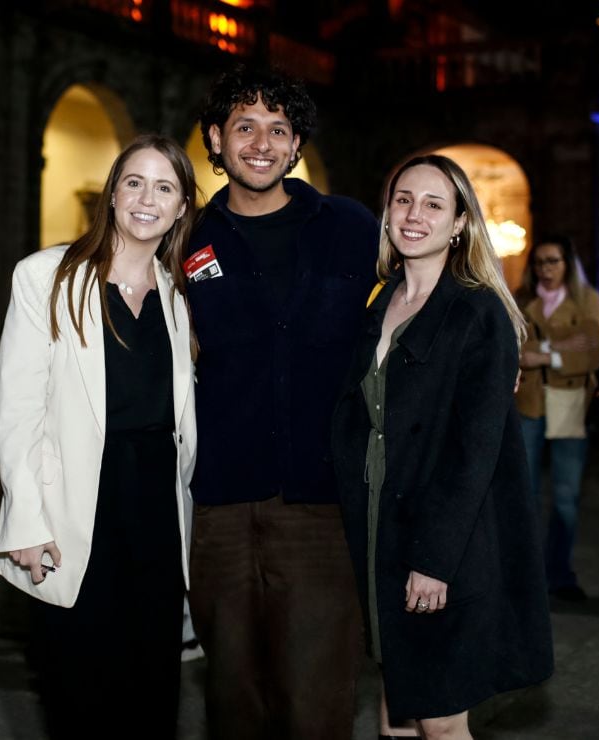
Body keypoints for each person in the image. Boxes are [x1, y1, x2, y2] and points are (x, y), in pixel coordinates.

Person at [183, 64, 378, 740]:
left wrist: (489, 348)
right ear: (216, 138)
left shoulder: (350, 226)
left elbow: (428, 288)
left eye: (278, 128)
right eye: (245, 127)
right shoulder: (187, 239)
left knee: (316, 701)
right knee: (232, 697)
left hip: (322, 504)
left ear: (296, 145)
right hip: (219, 505)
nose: (261, 143)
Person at [330, 155, 553, 739]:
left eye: (434, 204)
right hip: (380, 528)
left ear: (459, 223)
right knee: (398, 703)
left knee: (442, 721)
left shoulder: (478, 311)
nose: (414, 215)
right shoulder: (381, 301)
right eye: (403, 200)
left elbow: (475, 452)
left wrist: (434, 560)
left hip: (443, 542)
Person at [0, 135, 198, 738]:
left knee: (152, 692)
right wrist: (26, 521)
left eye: (164, 188)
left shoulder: (179, 294)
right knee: (79, 693)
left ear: (181, 207)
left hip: (158, 519)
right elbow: (19, 409)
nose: (146, 199)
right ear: (112, 194)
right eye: (134, 182)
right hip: (77, 514)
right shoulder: (46, 277)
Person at [515, 235, 599, 601]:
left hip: (569, 401)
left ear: (568, 264)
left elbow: (592, 354)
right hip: (529, 403)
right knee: (525, 492)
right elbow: (516, 351)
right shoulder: (522, 300)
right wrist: (563, 346)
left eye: (553, 261)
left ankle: (560, 573)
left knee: (566, 494)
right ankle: (526, 574)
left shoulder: (587, 299)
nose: (545, 269)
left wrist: (544, 353)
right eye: (539, 262)